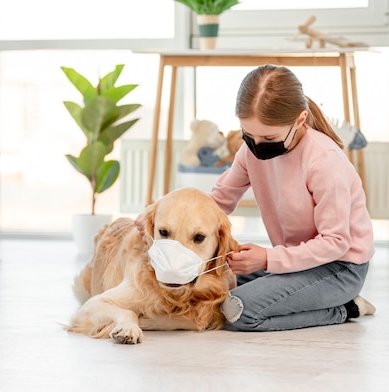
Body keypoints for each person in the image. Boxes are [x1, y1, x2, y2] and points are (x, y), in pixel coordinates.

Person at [139, 64, 376, 332]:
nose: (257, 145)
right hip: (293, 262)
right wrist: (159, 213)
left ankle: (346, 308)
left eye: (269, 136)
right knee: (213, 286)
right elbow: (217, 202)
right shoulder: (250, 151)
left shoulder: (324, 162)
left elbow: (335, 242)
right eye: (248, 135)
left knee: (238, 310)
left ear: (300, 120)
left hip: (338, 267)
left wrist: (267, 259)